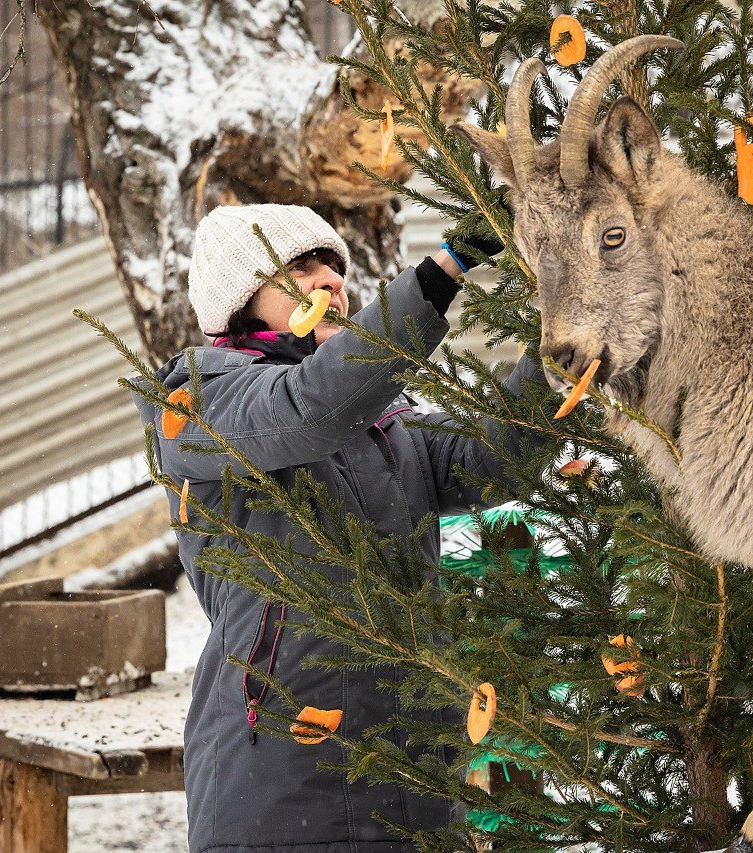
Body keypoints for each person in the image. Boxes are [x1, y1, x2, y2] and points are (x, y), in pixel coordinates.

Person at [130, 203, 550, 853]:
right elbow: (309, 409)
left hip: (415, 775)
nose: (331, 280)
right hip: (281, 783)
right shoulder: (199, 398)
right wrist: (444, 269)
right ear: (242, 300)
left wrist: (559, 345)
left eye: (335, 266)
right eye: (302, 267)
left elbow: (491, 460)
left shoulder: (385, 419)